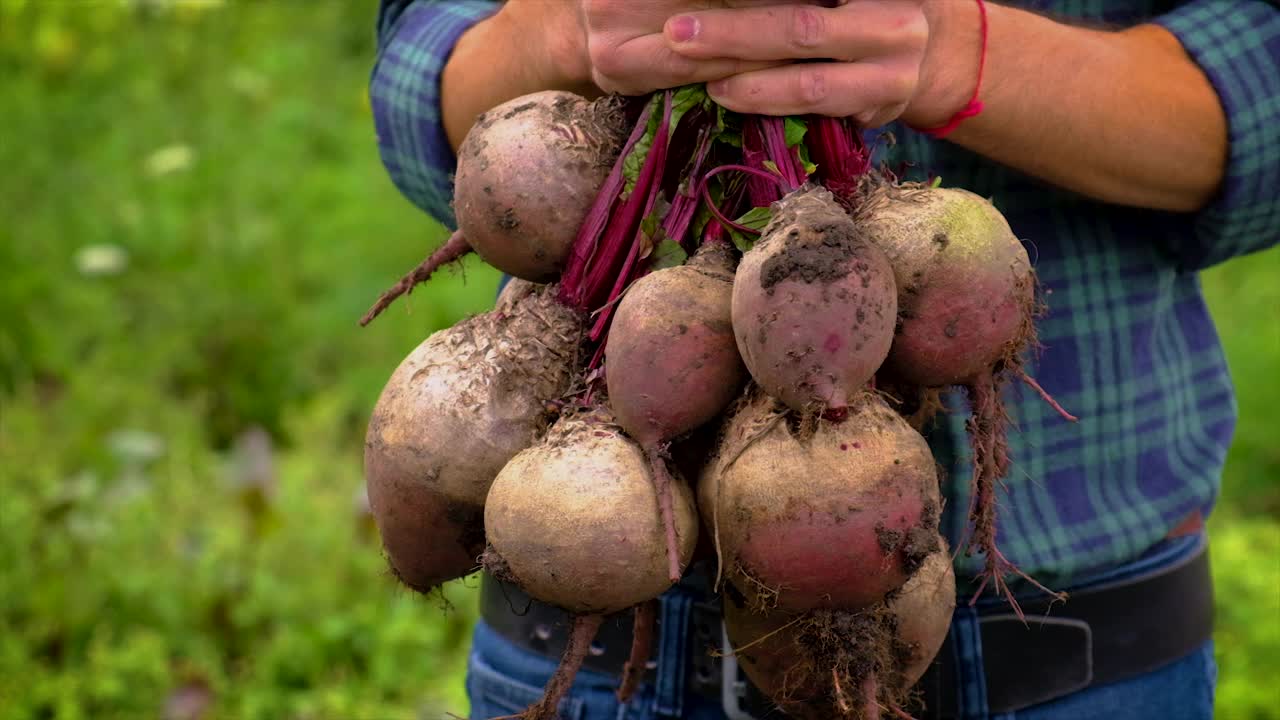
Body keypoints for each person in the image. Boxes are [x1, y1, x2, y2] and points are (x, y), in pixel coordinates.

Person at [368, 1, 1279, 718]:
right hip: (585, 637)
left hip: (1085, 647)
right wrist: (570, 26)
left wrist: (953, 52)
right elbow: (419, 81)